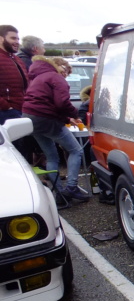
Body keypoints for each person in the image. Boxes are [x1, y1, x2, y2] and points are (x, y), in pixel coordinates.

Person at [22, 56, 89, 203]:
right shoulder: (55, 77)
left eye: (68, 73)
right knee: (76, 150)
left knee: (51, 157)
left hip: (30, 118)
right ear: (57, 65)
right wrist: (75, 115)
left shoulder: (38, 77)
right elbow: (62, 104)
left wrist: (66, 119)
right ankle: (71, 187)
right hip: (45, 119)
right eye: (65, 70)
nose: (65, 74)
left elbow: (47, 103)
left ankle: (60, 194)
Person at [0, 24, 28, 125]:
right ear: (1, 39)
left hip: (19, 109)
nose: (17, 42)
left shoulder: (17, 59)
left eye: (17, 39)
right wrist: (6, 106)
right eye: (13, 38)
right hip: (5, 112)